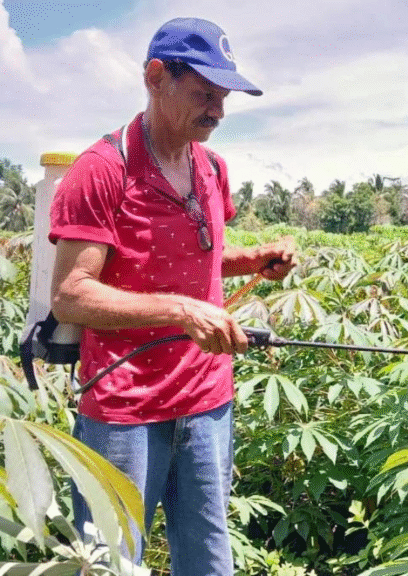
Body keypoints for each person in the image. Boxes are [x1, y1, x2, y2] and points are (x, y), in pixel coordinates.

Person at [48, 17, 295, 575]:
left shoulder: (212, 168)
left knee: (208, 560)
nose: (218, 111)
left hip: (207, 401)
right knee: (113, 564)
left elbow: (196, 260)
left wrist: (250, 263)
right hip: (124, 409)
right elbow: (71, 294)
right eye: (205, 93)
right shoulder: (103, 170)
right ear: (156, 76)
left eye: (224, 97)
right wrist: (180, 311)